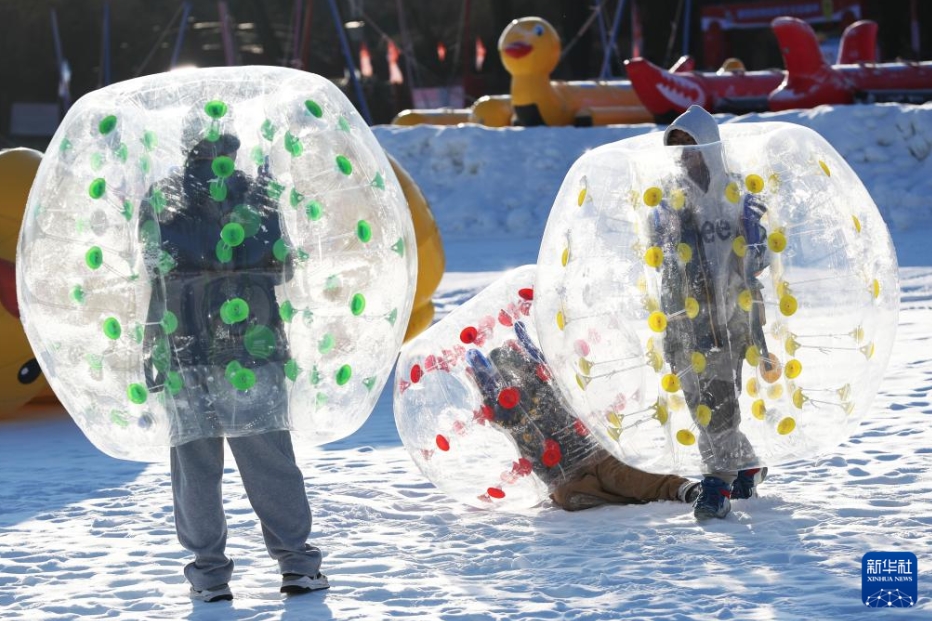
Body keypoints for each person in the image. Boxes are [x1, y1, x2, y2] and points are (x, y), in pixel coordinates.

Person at [139, 132, 328, 602]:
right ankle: (297, 564)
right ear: (232, 149)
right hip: (253, 346)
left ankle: (208, 576)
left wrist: (150, 344)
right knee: (270, 462)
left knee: (195, 469)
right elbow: (281, 270)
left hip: (183, 349)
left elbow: (152, 275)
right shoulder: (258, 195)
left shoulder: (161, 199)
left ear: (186, 147)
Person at [651, 105, 769, 521]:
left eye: (692, 145)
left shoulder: (735, 190)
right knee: (695, 397)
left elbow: (761, 259)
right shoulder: (668, 195)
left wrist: (756, 239)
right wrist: (661, 230)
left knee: (718, 399)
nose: (686, 155)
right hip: (683, 315)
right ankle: (747, 465)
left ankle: (716, 485)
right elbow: (658, 259)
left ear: (710, 146)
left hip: (729, 313)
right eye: (678, 147)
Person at [467, 321, 701, 512]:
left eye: (515, 372)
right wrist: (491, 397)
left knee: (623, 477)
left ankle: (681, 489)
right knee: (569, 497)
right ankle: (619, 496)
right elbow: (505, 421)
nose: (513, 381)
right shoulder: (510, 416)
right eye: (506, 378)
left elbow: (552, 382)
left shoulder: (546, 387)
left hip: (595, 457)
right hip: (565, 479)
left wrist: (533, 356)